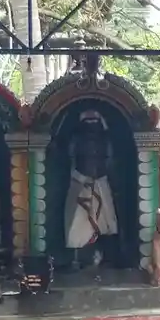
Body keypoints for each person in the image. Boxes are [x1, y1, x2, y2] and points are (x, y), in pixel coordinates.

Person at [64, 110, 118, 267]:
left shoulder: (106, 139)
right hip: (80, 182)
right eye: (88, 120)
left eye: (94, 120)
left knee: (107, 219)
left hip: (101, 181)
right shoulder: (75, 139)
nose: (91, 124)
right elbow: (71, 160)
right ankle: (76, 258)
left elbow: (109, 160)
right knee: (76, 221)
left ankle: (107, 257)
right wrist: (79, 178)